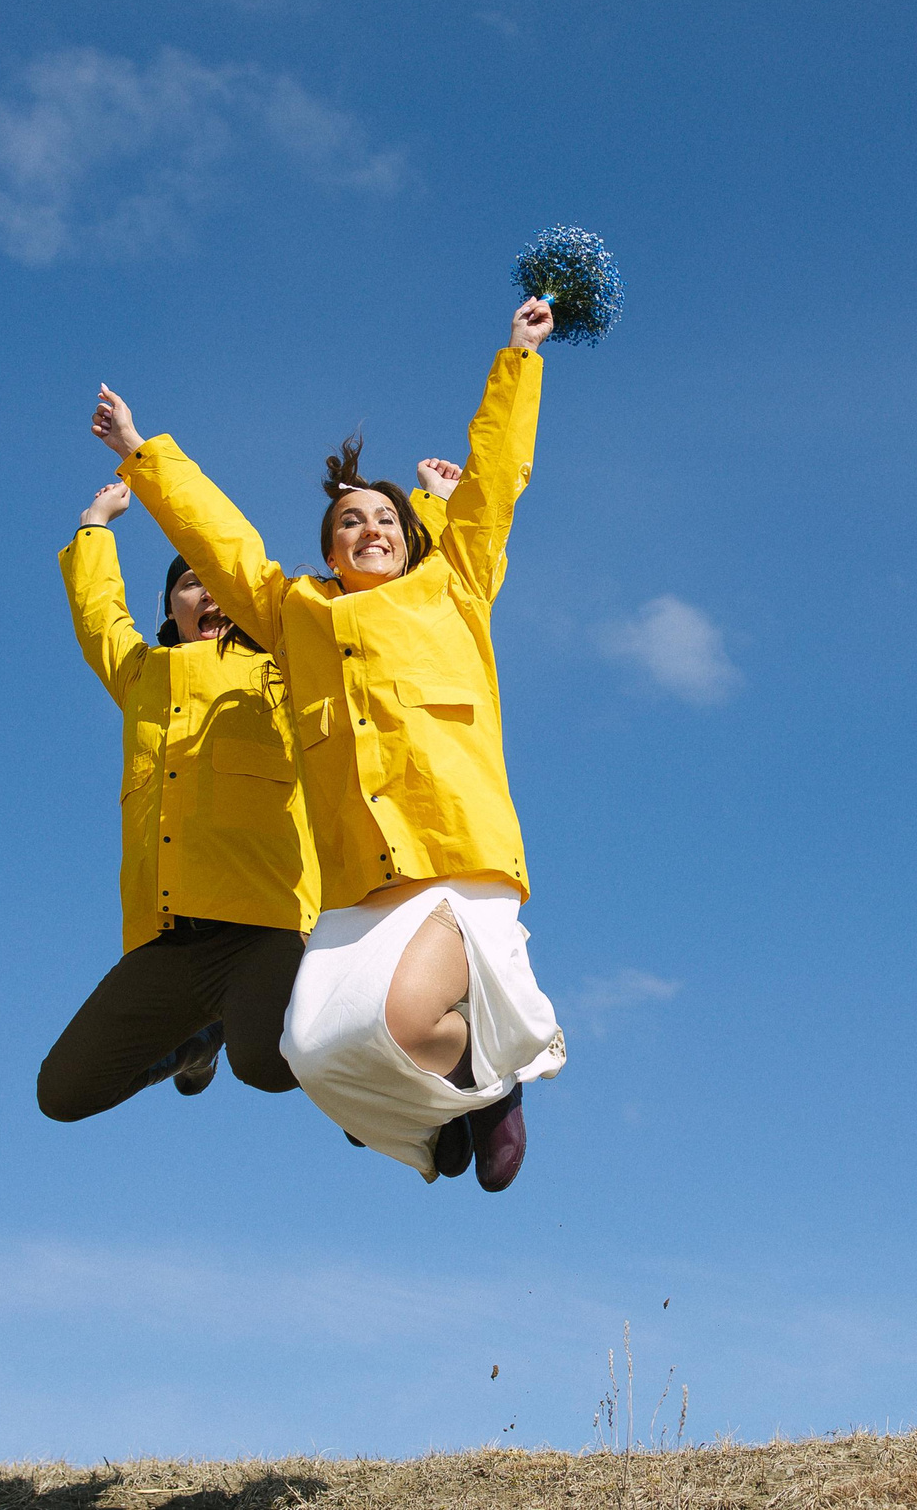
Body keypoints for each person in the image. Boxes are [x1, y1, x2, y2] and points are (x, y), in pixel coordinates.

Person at [92, 299, 563, 1190]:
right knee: (307, 1047)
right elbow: (222, 543)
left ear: (411, 534)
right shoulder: (295, 618)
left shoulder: (453, 586)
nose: (369, 528)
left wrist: (519, 355)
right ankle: (441, 1120)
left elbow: (496, 478)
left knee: (402, 1021)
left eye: (384, 518)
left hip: (453, 856)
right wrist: (141, 453)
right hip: (358, 879)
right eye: (348, 521)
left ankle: (492, 1073)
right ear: (326, 550)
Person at [34, 479, 319, 1123]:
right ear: (170, 608)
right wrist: (95, 526)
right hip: (168, 938)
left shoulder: (284, 668)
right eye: (191, 582)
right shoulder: (142, 676)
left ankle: (389, 1094)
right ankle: (193, 1043)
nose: (209, 591)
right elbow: (98, 616)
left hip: (265, 924)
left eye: (219, 580)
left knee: (267, 1065)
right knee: (64, 1094)